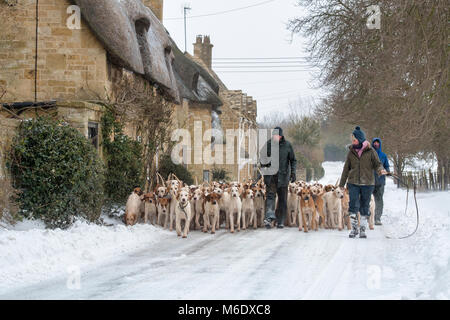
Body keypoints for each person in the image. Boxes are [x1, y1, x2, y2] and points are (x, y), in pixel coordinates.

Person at [339, 126, 387, 238]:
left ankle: (363, 229)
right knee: (353, 205)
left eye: (354, 140)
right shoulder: (351, 152)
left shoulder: (371, 151)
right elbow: (346, 168)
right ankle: (354, 229)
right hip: (353, 183)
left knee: (365, 206)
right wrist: (341, 184)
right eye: (352, 140)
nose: (353, 142)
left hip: (368, 183)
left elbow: (377, 164)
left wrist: (381, 170)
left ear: (360, 139)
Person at [260, 127, 297, 229]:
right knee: (270, 197)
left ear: (281, 136)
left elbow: (293, 160)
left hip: (283, 176)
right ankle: (269, 218)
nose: (276, 137)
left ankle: (280, 221)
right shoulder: (268, 144)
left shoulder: (287, 145)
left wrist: (293, 173)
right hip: (271, 177)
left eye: (278, 136)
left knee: (282, 200)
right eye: (274, 135)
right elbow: (262, 158)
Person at [372, 138, 390, 225]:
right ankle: (368, 217)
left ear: (380, 144)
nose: (376, 144)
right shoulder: (369, 154)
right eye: (374, 143)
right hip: (370, 182)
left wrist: (387, 172)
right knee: (368, 200)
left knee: (379, 200)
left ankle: (377, 218)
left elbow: (387, 166)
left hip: (380, 182)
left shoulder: (383, 155)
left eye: (377, 143)